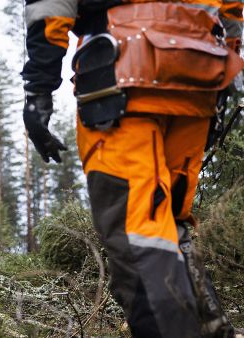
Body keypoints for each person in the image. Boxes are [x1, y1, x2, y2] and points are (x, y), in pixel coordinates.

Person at [21, 1, 243, 337]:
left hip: (122, 72)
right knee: (170, 218)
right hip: (200, 73)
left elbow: (50, 9)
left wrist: (38, 92)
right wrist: (228, 66)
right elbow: (232, 12)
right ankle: (212, 329)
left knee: (137, 230)